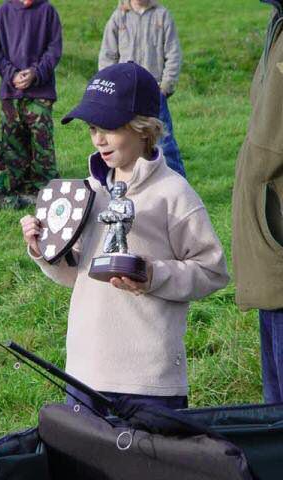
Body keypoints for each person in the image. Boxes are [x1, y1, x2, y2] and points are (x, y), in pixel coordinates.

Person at [21, 62, 229, 412]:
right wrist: (44, 251)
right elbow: (79, 275)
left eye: (110, 128)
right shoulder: (85, 193)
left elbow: (213, 271)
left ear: (143, 129)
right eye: (92, 128)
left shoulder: (174, 194)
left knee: (150, 468)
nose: (98, 139)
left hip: (149, 383)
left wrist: (152, 275)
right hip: (85, 375)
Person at [232, 1, 283, 404]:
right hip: (269, 237)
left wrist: (256, 174)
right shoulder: (277, 23)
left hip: (277, 233)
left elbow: (268, 148)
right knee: (273, 406)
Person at [98, 0, 185, 177]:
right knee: (124, 141)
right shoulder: (119, 17)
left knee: (164, 142)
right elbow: (107, 55)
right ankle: (127, 184)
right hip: (124, 94)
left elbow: (173, 53)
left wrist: (166, 86)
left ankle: (178, 185)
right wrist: (112, 88)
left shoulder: (162, 15)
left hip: (153, 92)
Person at [0, 0, 62, 200]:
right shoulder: (2, 11)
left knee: (41, 141)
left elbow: (54, 49)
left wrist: (35, 72)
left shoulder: (47, 11)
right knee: (12, 140)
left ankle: (44, 189)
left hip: (40, 90)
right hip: (10, 91)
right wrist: (11, 74)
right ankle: (16, 186)